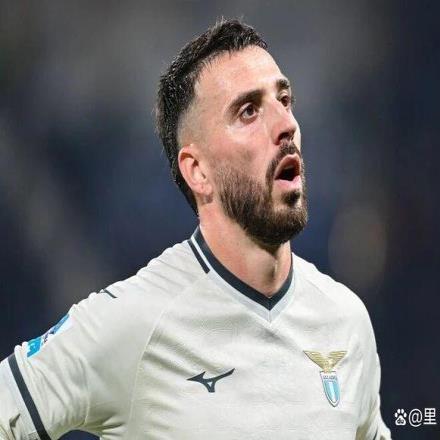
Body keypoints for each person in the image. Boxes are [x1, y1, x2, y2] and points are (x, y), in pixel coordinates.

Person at [0, 19, 391, 440]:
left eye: (284, 100)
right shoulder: (135, 322)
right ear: (198, 171)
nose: (286, 125)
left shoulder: (346, 320)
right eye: (248, 111)